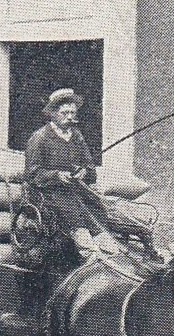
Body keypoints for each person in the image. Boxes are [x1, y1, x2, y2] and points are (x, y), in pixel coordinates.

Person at [23, 88, 117, 274]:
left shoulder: (77, 137)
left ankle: (109, 249)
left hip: (76, 190)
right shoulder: (40, 138)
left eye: (73, 113)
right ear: (52, 114)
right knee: (71, 210)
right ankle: (90, 253)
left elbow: (90, 167)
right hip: (49, 193)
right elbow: (32, 174)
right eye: (64, 113)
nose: (69, 117)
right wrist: (57, 175)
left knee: (96, 206)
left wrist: (84, 172)